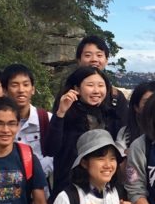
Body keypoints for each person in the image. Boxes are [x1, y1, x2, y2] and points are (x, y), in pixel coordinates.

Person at [44, 66, 122, 196]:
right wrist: (61, 113)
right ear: (76, 89)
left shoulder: (109, 115)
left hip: (101, 189)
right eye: (90, 85)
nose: (96, 91)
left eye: (101, 85)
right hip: (70, 190)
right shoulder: (66, 116)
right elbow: (50, 149)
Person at [1, 64, 52, 178]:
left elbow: (57, 155)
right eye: (15, 85)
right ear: (4, 90)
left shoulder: (46, 119)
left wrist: (36, 174)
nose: (21, 90)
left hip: (40, 190)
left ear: (33, 89)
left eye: (26, 84)